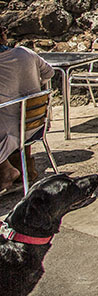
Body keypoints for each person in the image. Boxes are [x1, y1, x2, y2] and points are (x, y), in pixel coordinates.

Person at [0, 25, 54, 192]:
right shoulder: (25, 52)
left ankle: (6, 171)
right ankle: (24, 168)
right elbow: (49, 73)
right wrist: (33, 87)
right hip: (37, 125)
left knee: (8, 116)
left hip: (10, 134)